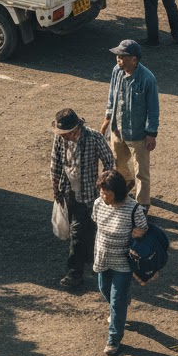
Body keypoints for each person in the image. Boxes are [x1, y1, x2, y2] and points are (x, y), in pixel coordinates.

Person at [50, 108, 114, 289]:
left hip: (88, 195)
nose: (64, 137)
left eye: (67, 133)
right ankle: (91, 259)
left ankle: (74, 273)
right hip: (67, 191)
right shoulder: (60, 139)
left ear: (76, 128)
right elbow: (55, 163)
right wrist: (55, 188)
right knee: (84, 230)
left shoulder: (94, 138)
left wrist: (103, 185)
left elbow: (109, 160)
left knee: (77, 234)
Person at [91, 169, 148, 356]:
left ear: (118, 191)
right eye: (101, 190)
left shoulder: (133, 208)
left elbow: (143, 227)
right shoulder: (98, 204)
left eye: (106, 191)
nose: (103, 194)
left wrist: (137, 233)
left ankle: (113, 339)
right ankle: (121, 307)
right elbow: (95, 222)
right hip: (103, 258)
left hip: (123, 263)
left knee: (116, 300)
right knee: (104, 289)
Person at [100, 39, 159, 211]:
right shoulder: (116, 72)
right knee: (117, 162)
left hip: (139, 134)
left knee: (142, 171)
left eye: (122, 56)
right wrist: (107, 120)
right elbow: (112, 96)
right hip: (117, 129)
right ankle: (126, 184)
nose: (118, 59)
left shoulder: (148, 79)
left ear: (134, 59)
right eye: (118, 56)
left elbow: (153, 110)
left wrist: (151, 134)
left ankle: (143, 203)